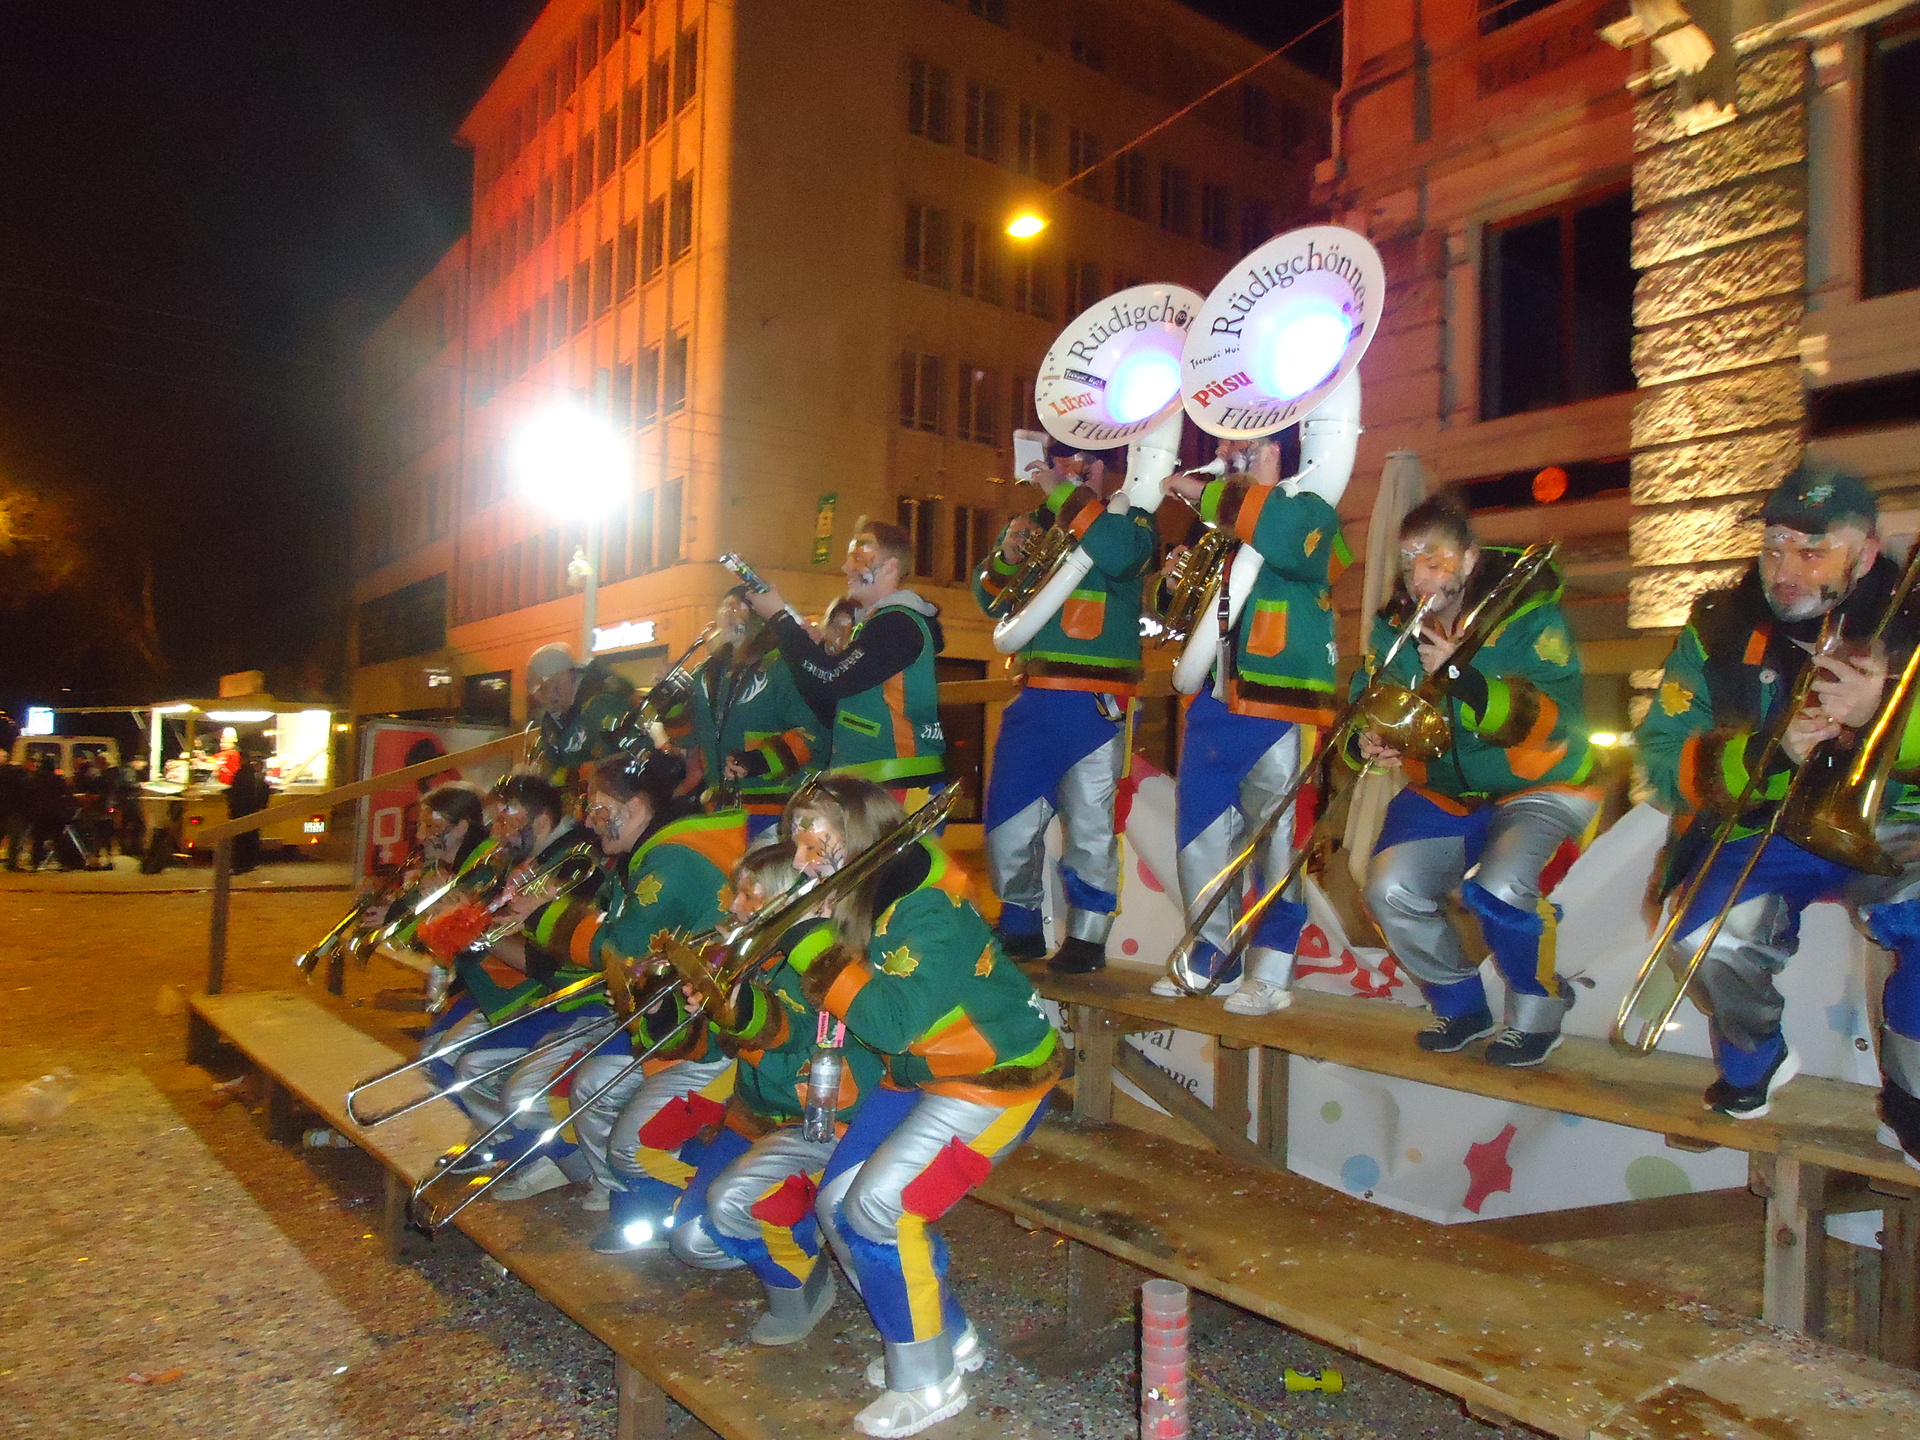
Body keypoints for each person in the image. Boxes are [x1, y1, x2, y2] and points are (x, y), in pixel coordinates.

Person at [1639, 464, 1920, 1164]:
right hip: (1766, 826)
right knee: (1700, 938)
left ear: (1866, 553)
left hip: (1895, 821)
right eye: (1773, 547)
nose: (1785, 570)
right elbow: (1663, 757)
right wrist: (1769, 753)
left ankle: (1911, 1097)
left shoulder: (1912, 615)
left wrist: (1885, 716)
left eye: (1813, 550)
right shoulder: (1719, 624)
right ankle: (1755, 1058)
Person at [780, 776, 1060, 1437]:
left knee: (877, 1208)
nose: (799, 860)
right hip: (924, 1073)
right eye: (796, 841)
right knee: (836, 1203)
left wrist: (809, 945)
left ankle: (928, 1382)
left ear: (858, 833)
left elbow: (893, 1022)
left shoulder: (926, 908)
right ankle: (945, 1338)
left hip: (995, 1078)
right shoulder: (866, 892)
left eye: (813, 840)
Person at [1352, 500, 1598, 1065]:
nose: (1418, 577)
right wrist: (1372, 739)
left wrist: (1462, 676)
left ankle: (1539, 1013)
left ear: (1468, 559)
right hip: (1446, 794)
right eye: (1409, 562)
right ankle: (1461, 1006)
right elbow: (1371, 697)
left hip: (1540, 785)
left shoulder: (1531, 616)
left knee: (1499, 889)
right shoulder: (1396, 627)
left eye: (1434, 560)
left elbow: (1553, 717)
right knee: (1387, 889)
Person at [1151, 436, 1351, 1013]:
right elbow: (1177, 621)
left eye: (1244, 443)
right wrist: (1170, 590)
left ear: (1279, 450)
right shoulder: (1220, 530)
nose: (1227, 452)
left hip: (1279, 704)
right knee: (1199, 838)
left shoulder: (1312, 509)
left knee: (1278, 843)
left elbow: (1295, 547)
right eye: (1224, 445)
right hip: (1213, 706)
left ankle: (1273, 968)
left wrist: (1248, 489)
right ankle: (1212, 952)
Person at [669, 843, 894, 1347]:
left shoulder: (826, 968)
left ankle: (799, 1283)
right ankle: (786, 1225)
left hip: (820, 1128)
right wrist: (689, 1014)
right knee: (689, 1239)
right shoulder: (749, 957)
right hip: (752, 1120)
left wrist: (736, 1019)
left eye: (750, 894)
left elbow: (808, 1075)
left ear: (794, 903)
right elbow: (706, 1053)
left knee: (730, 1207)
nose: (733, 906)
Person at [517, 748, 747, 1237]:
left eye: (600, 808)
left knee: (612, 1114)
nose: (590, 821)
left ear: (638, 805)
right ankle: (617, 1192)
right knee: (588, 1085)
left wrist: (541, 915)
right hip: (665, 1018)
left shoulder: (670, 859)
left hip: (702, 1032)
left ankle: (666, 1207)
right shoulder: (650, 851)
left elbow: (622, 949)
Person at [973, 455, 1156, 973]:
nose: (1079, 469)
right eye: (1068, 459)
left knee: (1091, 826)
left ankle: (1088, 936)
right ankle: (1020, 926)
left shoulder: (1134, 517)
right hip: (1033, 696)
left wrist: (1062, 493)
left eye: (1090, 462)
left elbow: (1119, 555)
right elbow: (992, 601)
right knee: (1007, 822)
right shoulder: (1035, 523)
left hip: (1098, 701)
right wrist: (1006, 556)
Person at [423, 772, 609, 1202]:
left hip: (565, 997)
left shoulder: (572, 865)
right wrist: (459, 920)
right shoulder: (520, 860)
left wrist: (472, 927)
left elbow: (547, 964)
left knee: (465, 1065)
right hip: (518, 989)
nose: (496, 832)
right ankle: (509, 1146)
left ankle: (539, 1156)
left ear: (540, 822)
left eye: (507, 821)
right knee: (439, 1058)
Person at [746, 521, 948, 808]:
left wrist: (781, 620)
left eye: (858, 557)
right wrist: (811, 651)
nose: (845, 567)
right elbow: (828, 700)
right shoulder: (880, 624)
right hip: (876, 786)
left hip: (898, 789)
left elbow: (829, 680)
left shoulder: (897, 623)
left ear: (890, 567)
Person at [672, 588, 826, 839]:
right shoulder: (707, 673)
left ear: (759, 618)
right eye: (724, 607)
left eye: (736, 608)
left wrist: (758, 760)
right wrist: (671, 706)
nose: (726, 614)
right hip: (719, 809)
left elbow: (813, 734)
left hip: (771, 810)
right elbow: (688, 737)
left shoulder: (781, 667)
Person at [525, 642, 641, 787]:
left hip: (623, 791)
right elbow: (552, 766)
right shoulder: (551, 722)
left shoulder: (604, 704)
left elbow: (639, 749)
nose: (540, 698)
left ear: (564, 679)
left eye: (543, 689)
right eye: (536, 692)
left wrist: (599, 766)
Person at [226, 751, 272, 875]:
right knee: (252, 838)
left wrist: (231, 809)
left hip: (241, 811)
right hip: (254, 811)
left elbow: (235, 794)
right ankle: (251, 862)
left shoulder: (240, 774)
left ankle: (240, 865)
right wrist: (261, 806)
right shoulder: (257, 775)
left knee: (240, 840)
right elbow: (265, 791)